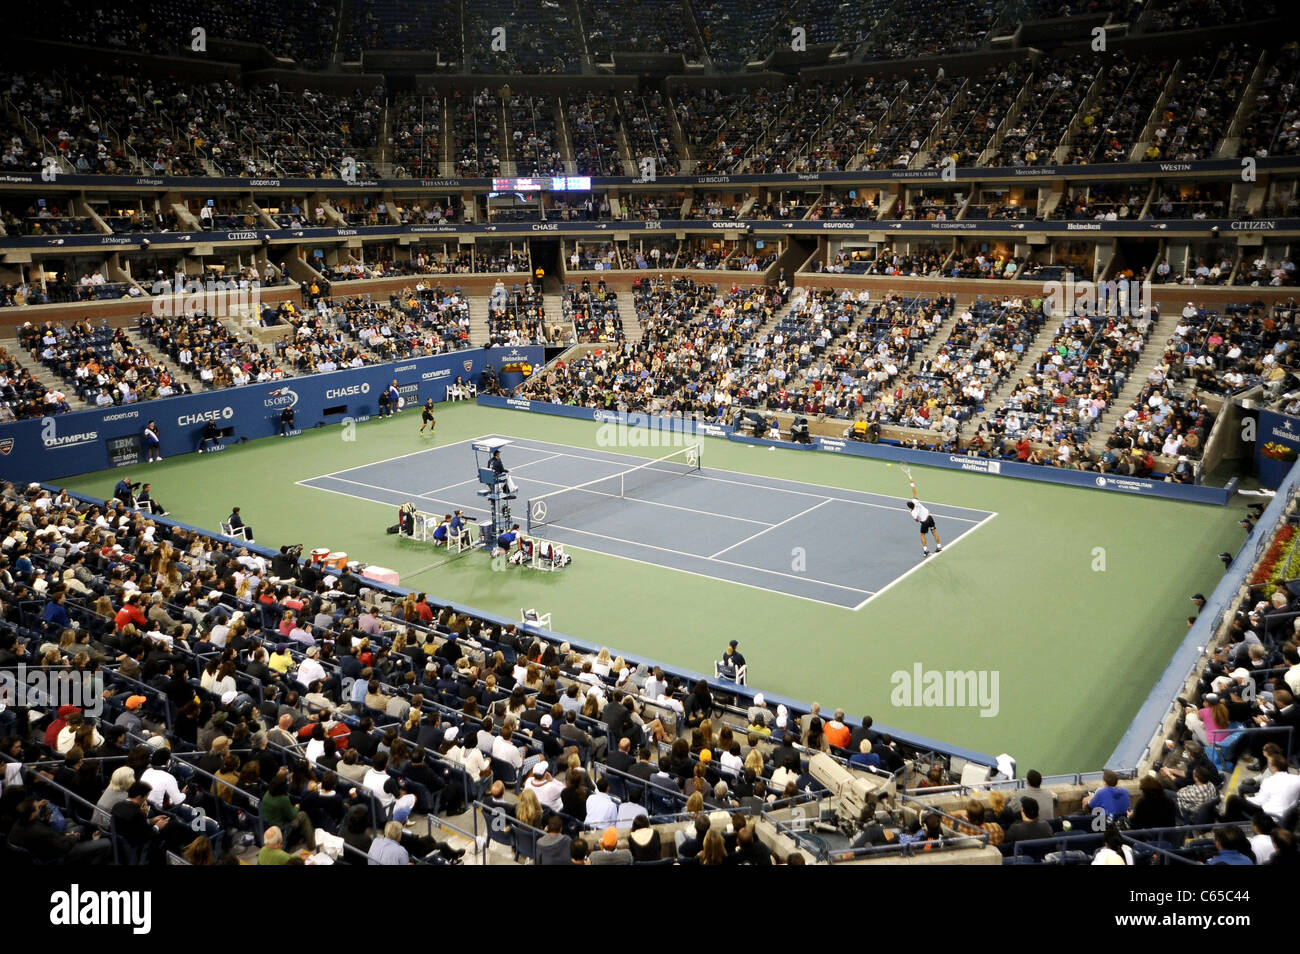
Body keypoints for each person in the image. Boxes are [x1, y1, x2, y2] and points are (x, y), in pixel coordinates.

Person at [905, 476, 942, 558]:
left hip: (924, 522)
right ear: (913, 503)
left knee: (922, 535)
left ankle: (926, 550)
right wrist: (911, 482)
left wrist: (910, 513)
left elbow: (917, 520)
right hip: (930, 518)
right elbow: (914, 491)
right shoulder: (916, 501)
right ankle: (939, 547)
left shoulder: (913, 512)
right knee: (934, 531)